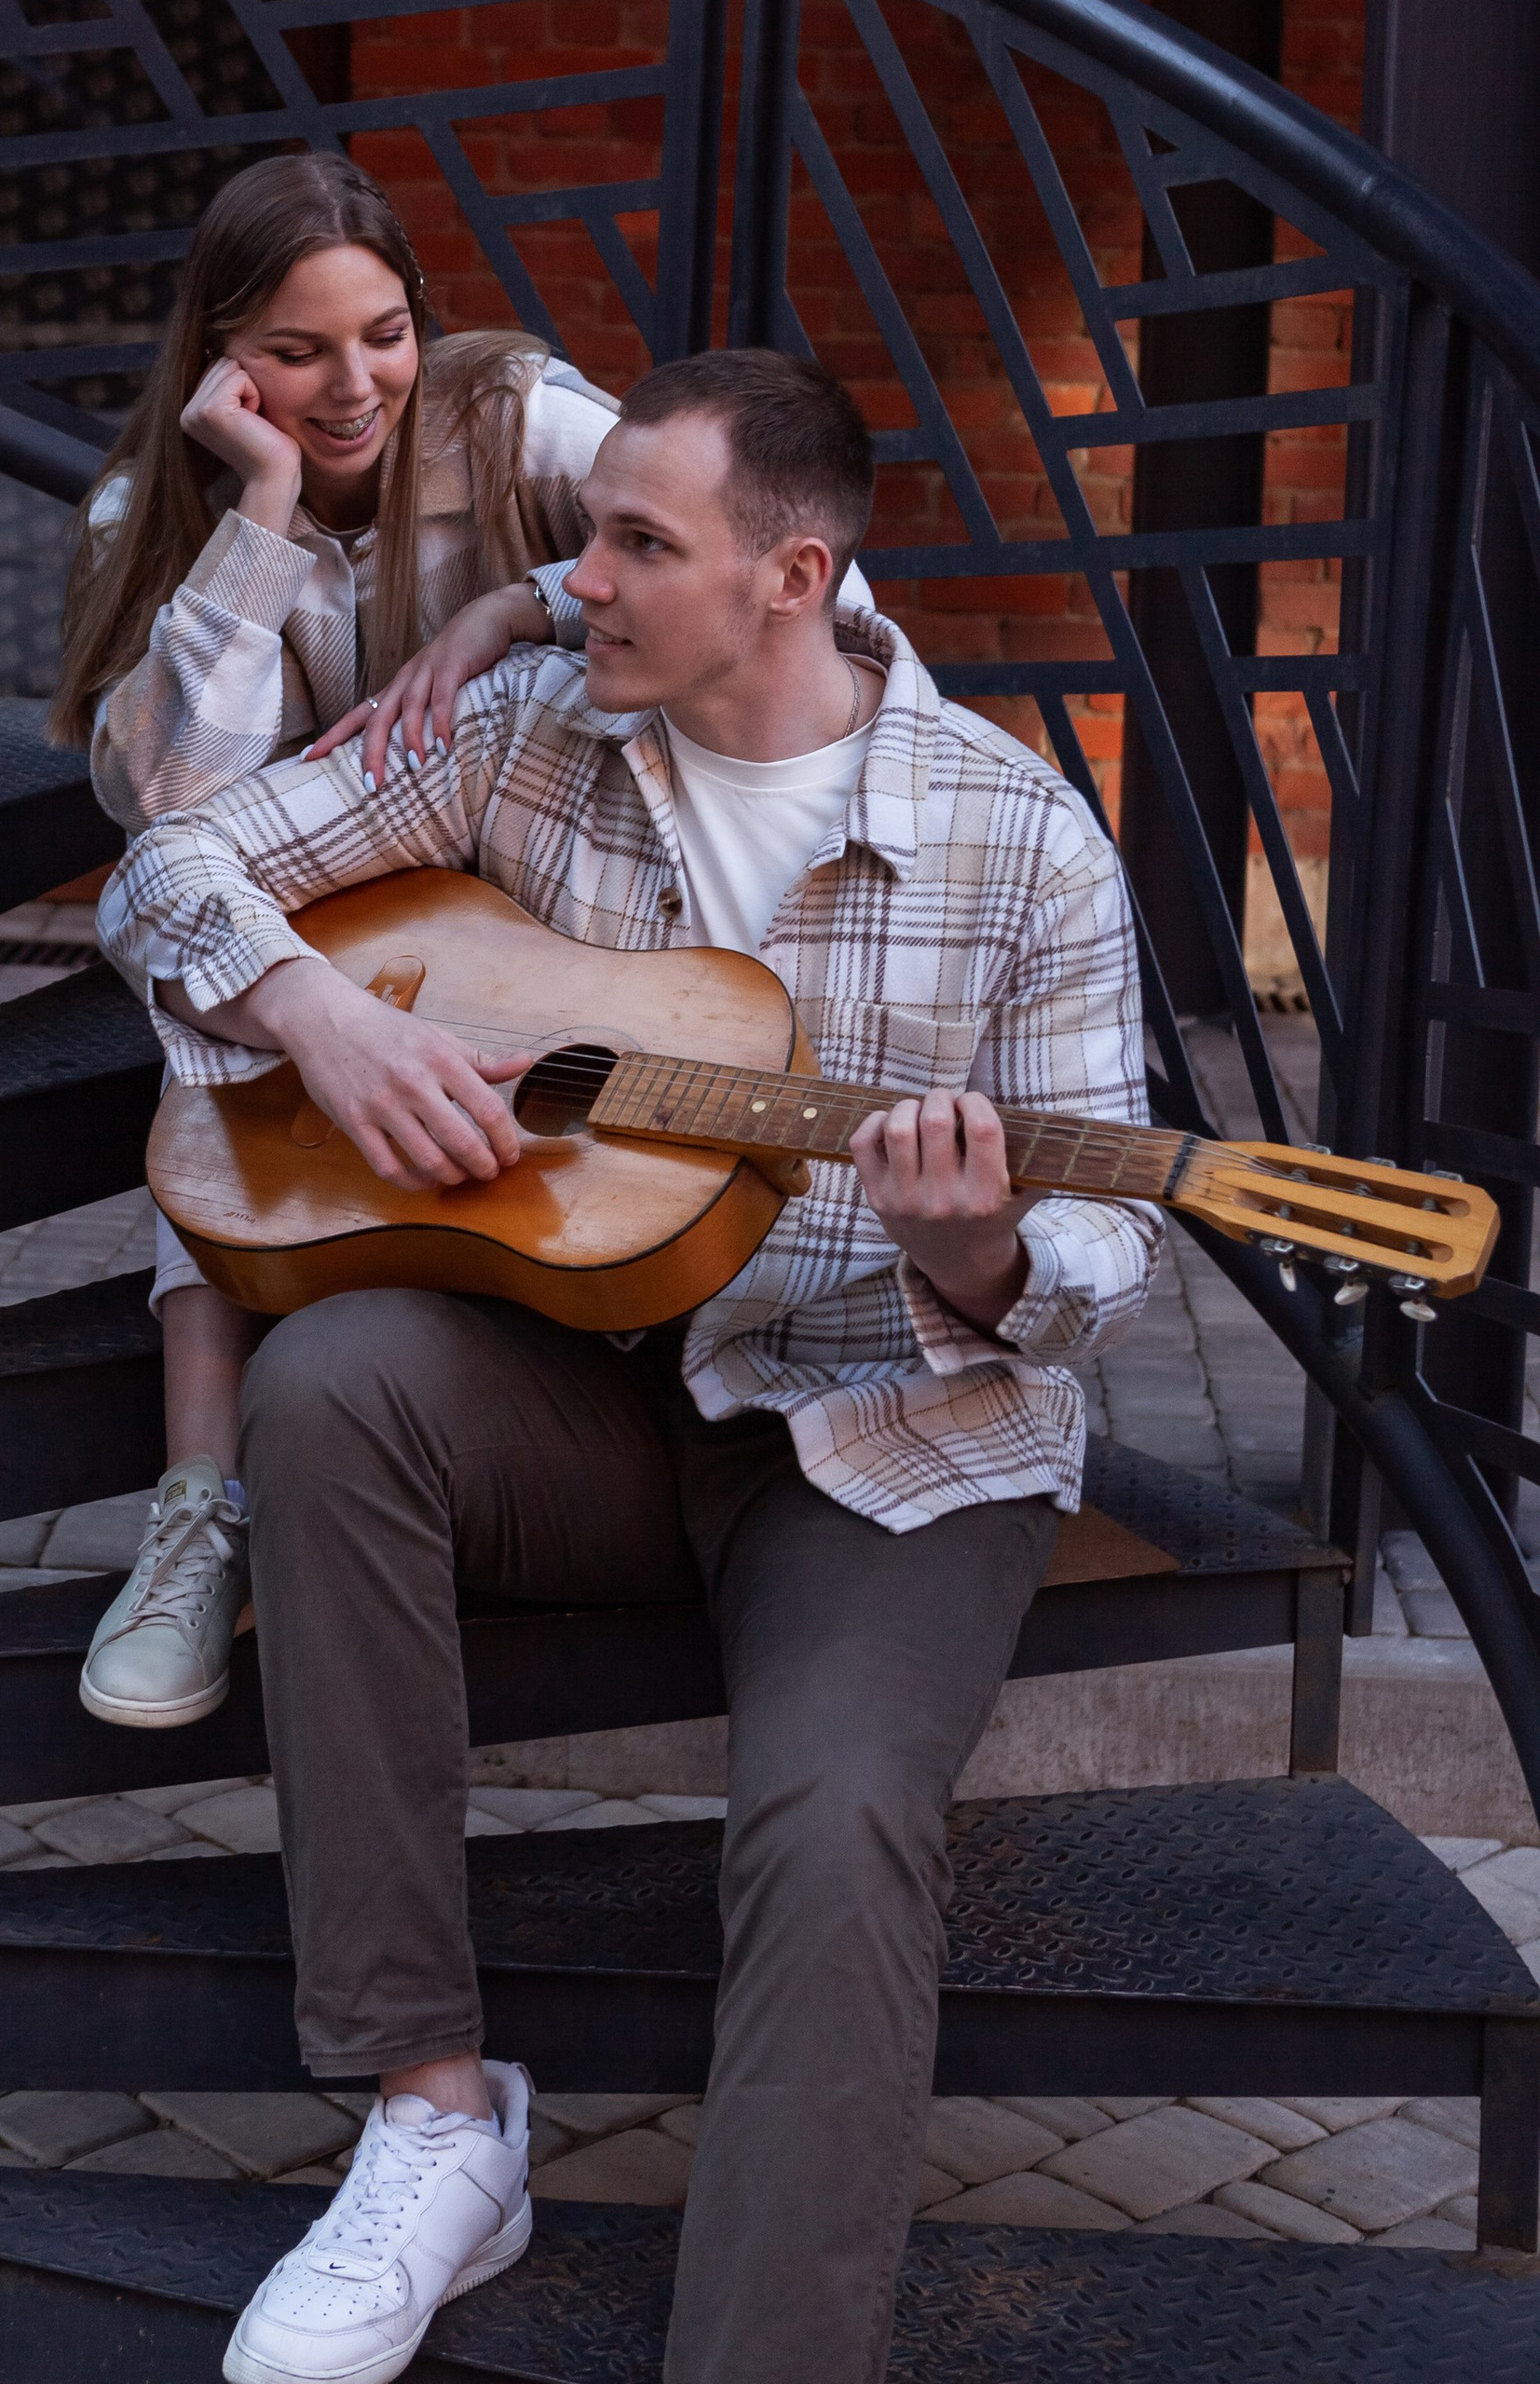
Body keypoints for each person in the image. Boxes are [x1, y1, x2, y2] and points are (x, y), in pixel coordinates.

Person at [96, 347, 1156, 2384]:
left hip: (889, 1420)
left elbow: (1116, 1230)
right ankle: (434, 2117)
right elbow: (171, 868)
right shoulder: (524, 734)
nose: (572, 580)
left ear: (791, 578)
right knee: (332, 1388)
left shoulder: (1019, 838)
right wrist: (325, 1021)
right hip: (583, 1374)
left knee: (835, 1822)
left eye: (637, 546)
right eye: (589, 534)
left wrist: (983, 1247)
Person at [51, 150, 650, 1729]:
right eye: (296, 350)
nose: (353, 385)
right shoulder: (150, 509)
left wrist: (518, 604)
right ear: (219, 353)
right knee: (223, 1019)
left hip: (544, 885)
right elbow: (170, 808)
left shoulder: (515, 418)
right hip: (304, 921)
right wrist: (258, 516)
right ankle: (201, 1511)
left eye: (384, 334)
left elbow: (724, 555)